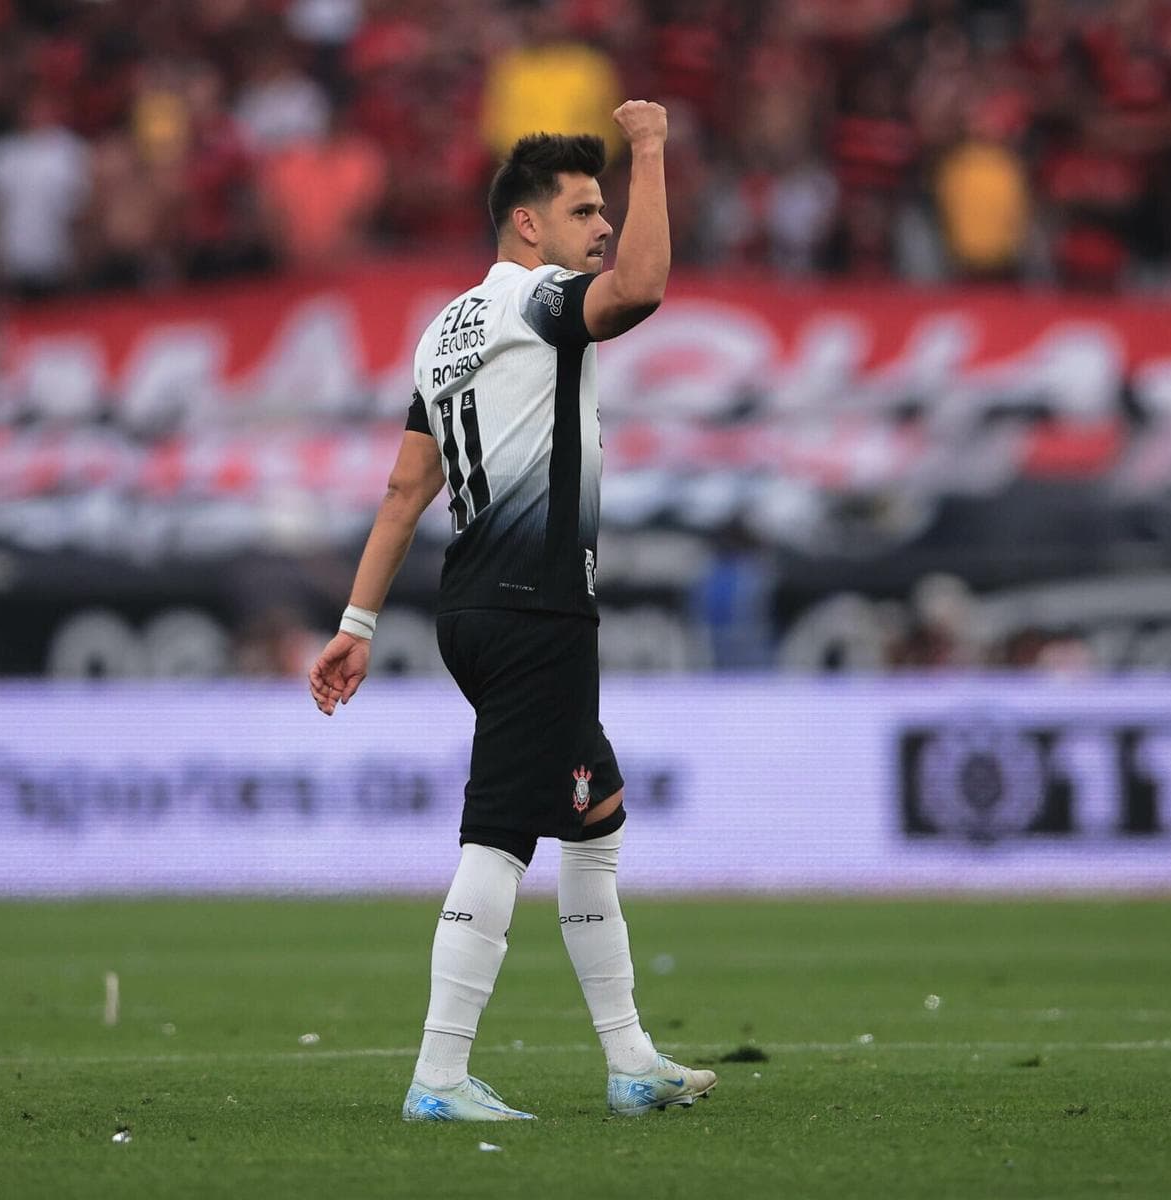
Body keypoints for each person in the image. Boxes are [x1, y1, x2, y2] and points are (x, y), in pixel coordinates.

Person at [307, 101, 717, 1122]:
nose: (603, 227)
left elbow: (408, 489)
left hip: (473, 607)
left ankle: (631, 1062)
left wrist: (356, 626)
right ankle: (439, 1079)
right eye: (585, 210)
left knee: (595, 820)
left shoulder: (443, 332)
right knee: (497, 841)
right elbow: (648, 289)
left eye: (605, 207)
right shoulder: (539, 302)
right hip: (535, 608)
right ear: (527, 227)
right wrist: (652, 150)